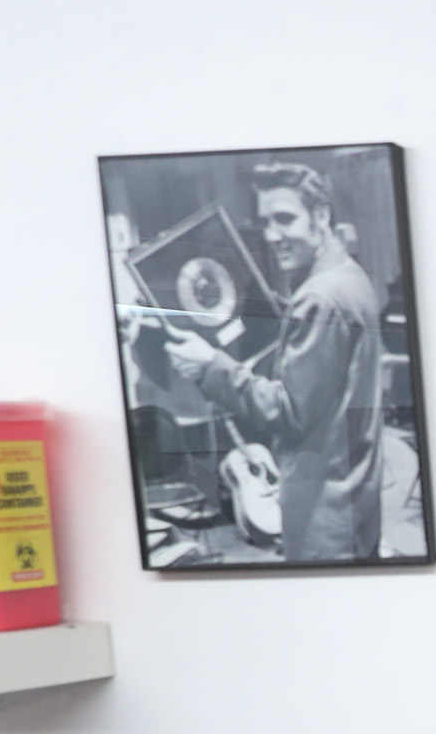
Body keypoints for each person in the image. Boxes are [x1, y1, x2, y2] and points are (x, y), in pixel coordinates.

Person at [160, 161, 383, 561]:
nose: (273, 235)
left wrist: (211, 365)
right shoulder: (350, 275)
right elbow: (325, 391)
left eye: (285, 219)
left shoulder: (318, 298)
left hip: (324, 517)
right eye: (265, 222)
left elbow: (286, 411)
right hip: (356, 497)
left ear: (320, 215)